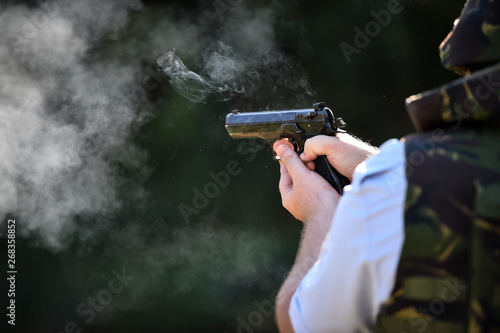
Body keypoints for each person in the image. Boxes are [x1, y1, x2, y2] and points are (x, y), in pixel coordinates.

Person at [273, 0, 500, 332]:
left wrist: (323, 212)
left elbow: (299, 324)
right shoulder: (396, 176)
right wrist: (377, 168)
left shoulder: (398, 180)